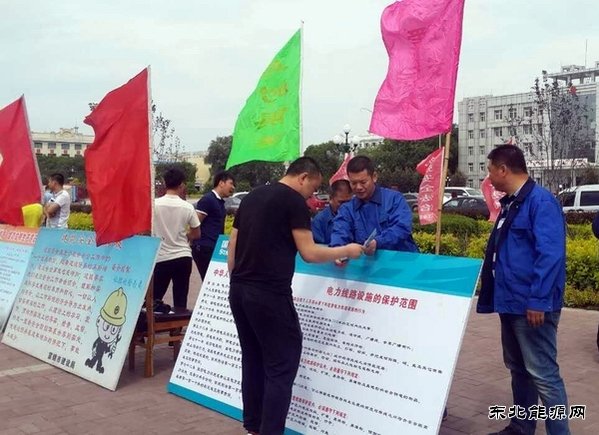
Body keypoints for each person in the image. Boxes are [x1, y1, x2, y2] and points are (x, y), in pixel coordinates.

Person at [227, 157, 363, 435]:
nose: (311, 195)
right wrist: (346, 250)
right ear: (303, 177)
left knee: (253, 358)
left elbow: (233, 243)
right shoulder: (292, 201)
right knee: (281, 365)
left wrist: (236, 281)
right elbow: (309, 253)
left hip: (239, 290)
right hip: (269, 295)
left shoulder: (252, 197)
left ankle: (253, 426)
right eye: (312, 188)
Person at [477, 145, 569, 435]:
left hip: (532, 306)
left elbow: (550, 255)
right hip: (510, 303)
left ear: (503, 170)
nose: (489, 177)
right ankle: (521, 426)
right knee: (519, 369)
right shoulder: (511, 203)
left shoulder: (541, 202)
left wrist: (539, 300)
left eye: (490, 170)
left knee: (544, 374)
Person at [329, 155, 418, 256]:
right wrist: (337, 250)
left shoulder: (394, 199)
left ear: (374, 177)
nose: (358, 187)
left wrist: (378, 242)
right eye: (353, 183)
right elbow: (340, 231)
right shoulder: (347, 209)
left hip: (401, 260)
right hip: (367, 263)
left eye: (363, 182)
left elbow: (402, 228)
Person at [153, 168, 200, 311]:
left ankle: (154, 321)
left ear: (165, 183)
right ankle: (178, 323)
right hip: (182, 257)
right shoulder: (187, 207)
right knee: (180, 297)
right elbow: (196, 233)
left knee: (155, 298)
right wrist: (186, 236)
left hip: (160, 257)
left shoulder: (154, 205)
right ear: (181, 185)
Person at [192, 171, 236, 280]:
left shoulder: (219, 201)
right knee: (209, 280)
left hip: (215, 247)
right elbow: (195, 223)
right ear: (221, 183)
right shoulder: (208, 199)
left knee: (212, 280)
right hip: (204, 248)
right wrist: (192, 240)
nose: (233, 187)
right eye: (231, 183)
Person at [311, 179, 352, 244]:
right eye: (341, 202)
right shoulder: (319, 221)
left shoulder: (356, 216)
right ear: (330, 199)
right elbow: (317, 247)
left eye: (348, 202)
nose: (345, 206)